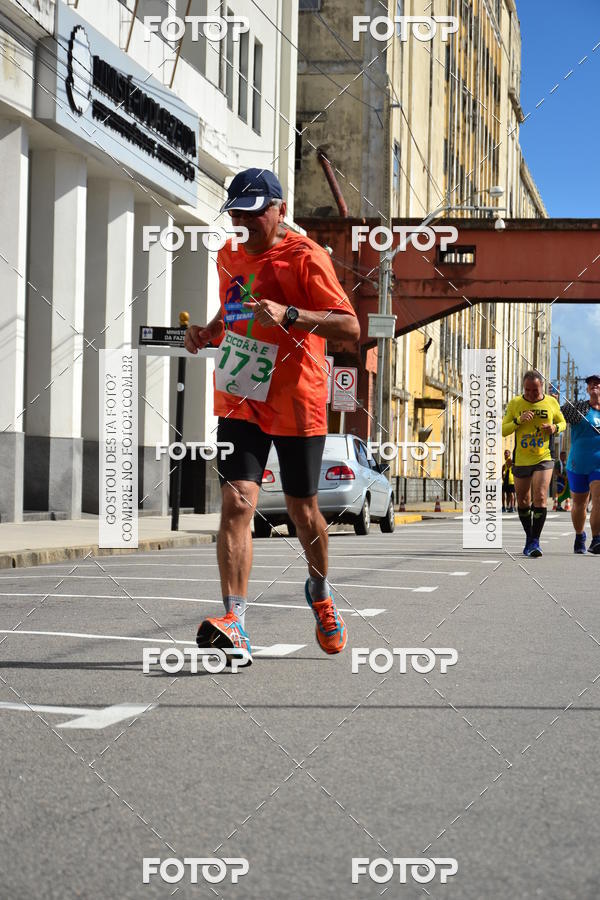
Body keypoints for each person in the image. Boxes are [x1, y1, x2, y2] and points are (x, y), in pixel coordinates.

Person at [184, 168, 360, 663]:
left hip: (297, 395)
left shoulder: (307, 257)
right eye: (236, 213)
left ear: (280, 208)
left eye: (254, 211)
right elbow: (233, 313)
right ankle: (234, 622)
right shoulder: (229, 255)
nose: (244, 222)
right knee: (238, 504)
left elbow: (349, 325)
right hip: (242, 394)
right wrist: (208, 333)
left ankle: (321, 594)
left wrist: (291, 315)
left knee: (303, 510)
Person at [502, 371, 566, 557]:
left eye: (535, 390)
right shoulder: (515, 404)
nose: (531, 394)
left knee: (540, 495)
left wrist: (554, 428)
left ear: (542, 387)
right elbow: (504, 430)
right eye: (527, 390)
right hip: (521, 458)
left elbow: (562, 423)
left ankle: (535, 541)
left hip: (544, 456)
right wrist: (518, 420)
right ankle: (529, 537)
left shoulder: (551, 402)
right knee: (523, 500)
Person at [560, 374, 600, 554]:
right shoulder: (579, 409)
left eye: (598, 383)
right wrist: (552, 401)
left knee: (598, 500)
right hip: (577, 463)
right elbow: (557, 414)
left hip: (598, 464)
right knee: (579, 503)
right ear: (587, 389)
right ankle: (579, 535)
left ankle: (596, 539)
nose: (594, 386)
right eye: (591, 384)